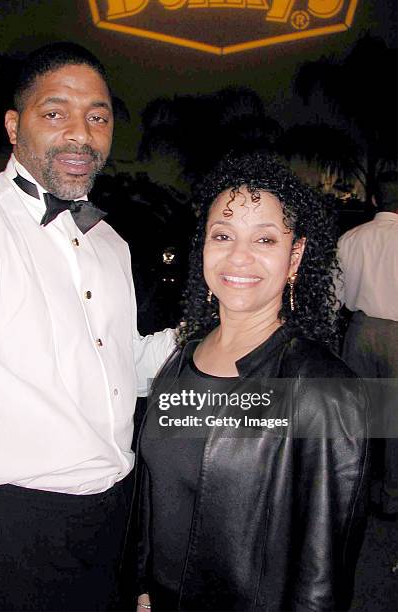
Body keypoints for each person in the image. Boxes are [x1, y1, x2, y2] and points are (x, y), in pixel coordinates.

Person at [0, 42, 174, 612]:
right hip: (12, 533)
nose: (81, 134)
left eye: (97, 117)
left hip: (111, 522)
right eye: (55, 113)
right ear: (13, 125)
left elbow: (126, 368)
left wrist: (225, 321)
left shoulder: (110, 243)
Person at [134, 152, 369, 611]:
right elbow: (155, 496)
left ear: (295, 254)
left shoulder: (322, 388)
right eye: (222, 235)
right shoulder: (181, 359)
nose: (238, 256)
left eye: (264, 239)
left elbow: (324, 565)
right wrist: (143, 587)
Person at [338, 170, 398, 518]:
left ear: (374, 200)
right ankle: (391, 496)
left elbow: (334, 293)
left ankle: (353, 490)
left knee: (358, 415)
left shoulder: (351, 238)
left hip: (359, 331)